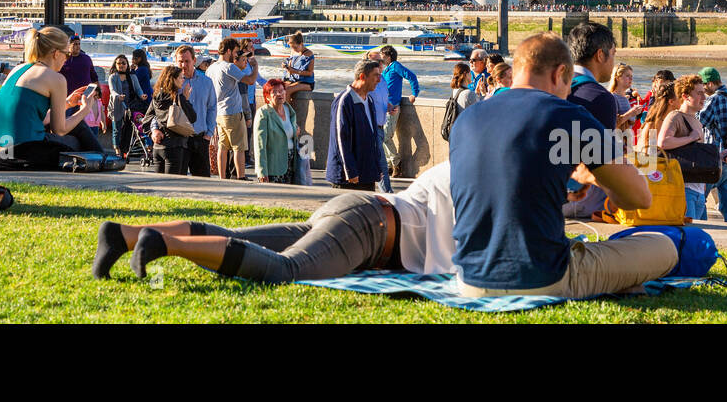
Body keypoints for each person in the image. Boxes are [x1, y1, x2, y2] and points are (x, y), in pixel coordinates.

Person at [449, 32, 678, 298]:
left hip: (469, 279)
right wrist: (593, 177)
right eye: (568, 84)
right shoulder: (568, 115)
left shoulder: (468, 119)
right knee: (664, 246)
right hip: (542, 277)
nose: (568, 92)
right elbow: (638, 197)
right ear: (559, 74)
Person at [93, 158, 456, 284]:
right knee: (288, 269)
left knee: (238, 238)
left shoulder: (460, 168)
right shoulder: (481, 182)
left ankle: (123, 235)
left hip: (359, 210)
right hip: (371, 228)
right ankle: (162, 243)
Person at [0, 26, 95, 166]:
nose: (66, 60)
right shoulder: (56, 78)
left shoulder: (17, 70)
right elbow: (59, 130)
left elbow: (30, 118)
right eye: (66, 54)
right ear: (56, 53)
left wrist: (67, 103)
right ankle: (107, 163)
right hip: (24, 149)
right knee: (78, 134)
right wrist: (85, 110)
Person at [326, 59, 386, 191]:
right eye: (376, 75)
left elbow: (373, 136)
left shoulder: (369, 100)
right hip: (349, 178)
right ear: (362, 76)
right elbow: (341, 140)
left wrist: (377, 166)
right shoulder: (344, 101)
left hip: (367, 174)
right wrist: (350, 171)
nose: (379, 80)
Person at [657, 74, 709, 222]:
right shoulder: (675, 116)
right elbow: (663, 143)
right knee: (687, 234)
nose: (703, 97)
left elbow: (696, 154)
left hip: (699, 190)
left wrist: (719, 156)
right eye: (699, 93)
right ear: (685, 96)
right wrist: (691, 138)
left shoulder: (697, 121)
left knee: (699, 233)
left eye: (704, 93)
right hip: (684, 189)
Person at [207, 38, 257, 180]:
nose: (236, 55)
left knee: (222, 147)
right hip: (233, 112)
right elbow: (250, 80)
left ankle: (223, 177)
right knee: (238, 147)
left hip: (219, 113)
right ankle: (241, 177)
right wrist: (255, 66)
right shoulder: (228, 67)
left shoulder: (211, 68)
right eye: (235, 52)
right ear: (228, 51)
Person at [697, 67, 727, 223]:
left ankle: (701, 227)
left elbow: (699, 121)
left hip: (716, 155)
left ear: (709, 83)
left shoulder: (715, 99)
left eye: (701, 85)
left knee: (699, 197)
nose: (700, 90)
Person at [170, 46, 215, 177]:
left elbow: (212, 107)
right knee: (179, 179)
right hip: (179, 138)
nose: (183, 65)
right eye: (180, 61)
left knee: (203, 179)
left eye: (187, 61)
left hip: (200, 137)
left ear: (194, 60)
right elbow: (160, 107)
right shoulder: (172, 83)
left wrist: (209, 133)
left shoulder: (206, 82)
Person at [377, 45, 419, 179]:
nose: (380, 56)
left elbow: (411, 76)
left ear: (388, 56)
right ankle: (389, 166)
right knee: (382, 136)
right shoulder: (386, 69)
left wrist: (414, 93)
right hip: (384, 106)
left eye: (382, 54)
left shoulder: (395, 66)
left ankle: (397, 164)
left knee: (385, 135)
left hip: (393, 106)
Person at [145, 65, 195, 174]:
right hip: (175, 145)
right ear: (173, 79)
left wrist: (153, 131)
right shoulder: (177, 97)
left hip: (158, 146)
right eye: (181, 77)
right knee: (173, 183)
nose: (183, 80)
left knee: (160, 185)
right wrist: (186, 99)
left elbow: (146, 120)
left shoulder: (157, 96)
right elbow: (192, 117)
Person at [253, 79, 300, 183]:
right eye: (274, 91)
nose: (280, 94)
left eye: (282, 90)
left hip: (291, 164)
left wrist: (295, 132)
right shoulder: (264, 113)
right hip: (273, 167)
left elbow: (289, 133)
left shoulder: (288, 109)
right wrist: (262, 171)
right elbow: (259, 145)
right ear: (268, 96)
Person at [108, 54, 149, 158]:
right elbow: (112, 90)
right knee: (116, 129)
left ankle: (125, 149)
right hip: (117, 105)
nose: (121, 65)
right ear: (115, 65)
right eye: (119, 63)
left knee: (129, 129)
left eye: (123, 63)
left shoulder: (132, 76)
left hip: (130, 106)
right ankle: (117, 149)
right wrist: (118, 96)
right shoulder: (113, 77)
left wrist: (142, 95)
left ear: (127, 64)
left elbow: (138, 89)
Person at [281, 32, 315, 97]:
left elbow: (310, 73)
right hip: (293, 80)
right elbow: (290, 66)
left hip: (306, 82)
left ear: (301, 44)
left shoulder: (309, 54)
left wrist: (294, 71)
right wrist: (286, 66)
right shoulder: (293, 52)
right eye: (292, 47)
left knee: (287, 90)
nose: (293, 49)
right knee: (277, 88)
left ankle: (287, 107)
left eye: (295, 47)